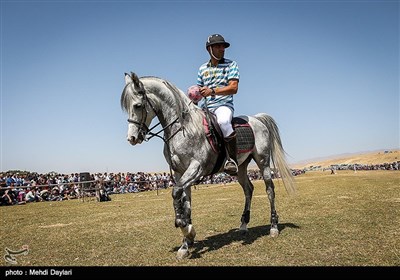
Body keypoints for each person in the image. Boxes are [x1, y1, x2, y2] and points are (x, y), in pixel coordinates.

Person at [196, 34, 240, 175]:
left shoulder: (231, 64)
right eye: (218, 46)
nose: (222, 49)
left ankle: (232, 160)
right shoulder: (202, 69)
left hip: (223, 105)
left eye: (223, 46)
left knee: (223, 122)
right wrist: (194, 96)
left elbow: (234, 88)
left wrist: (212, 91)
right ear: (209, 49)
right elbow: (200, 90)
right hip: (205, 108)